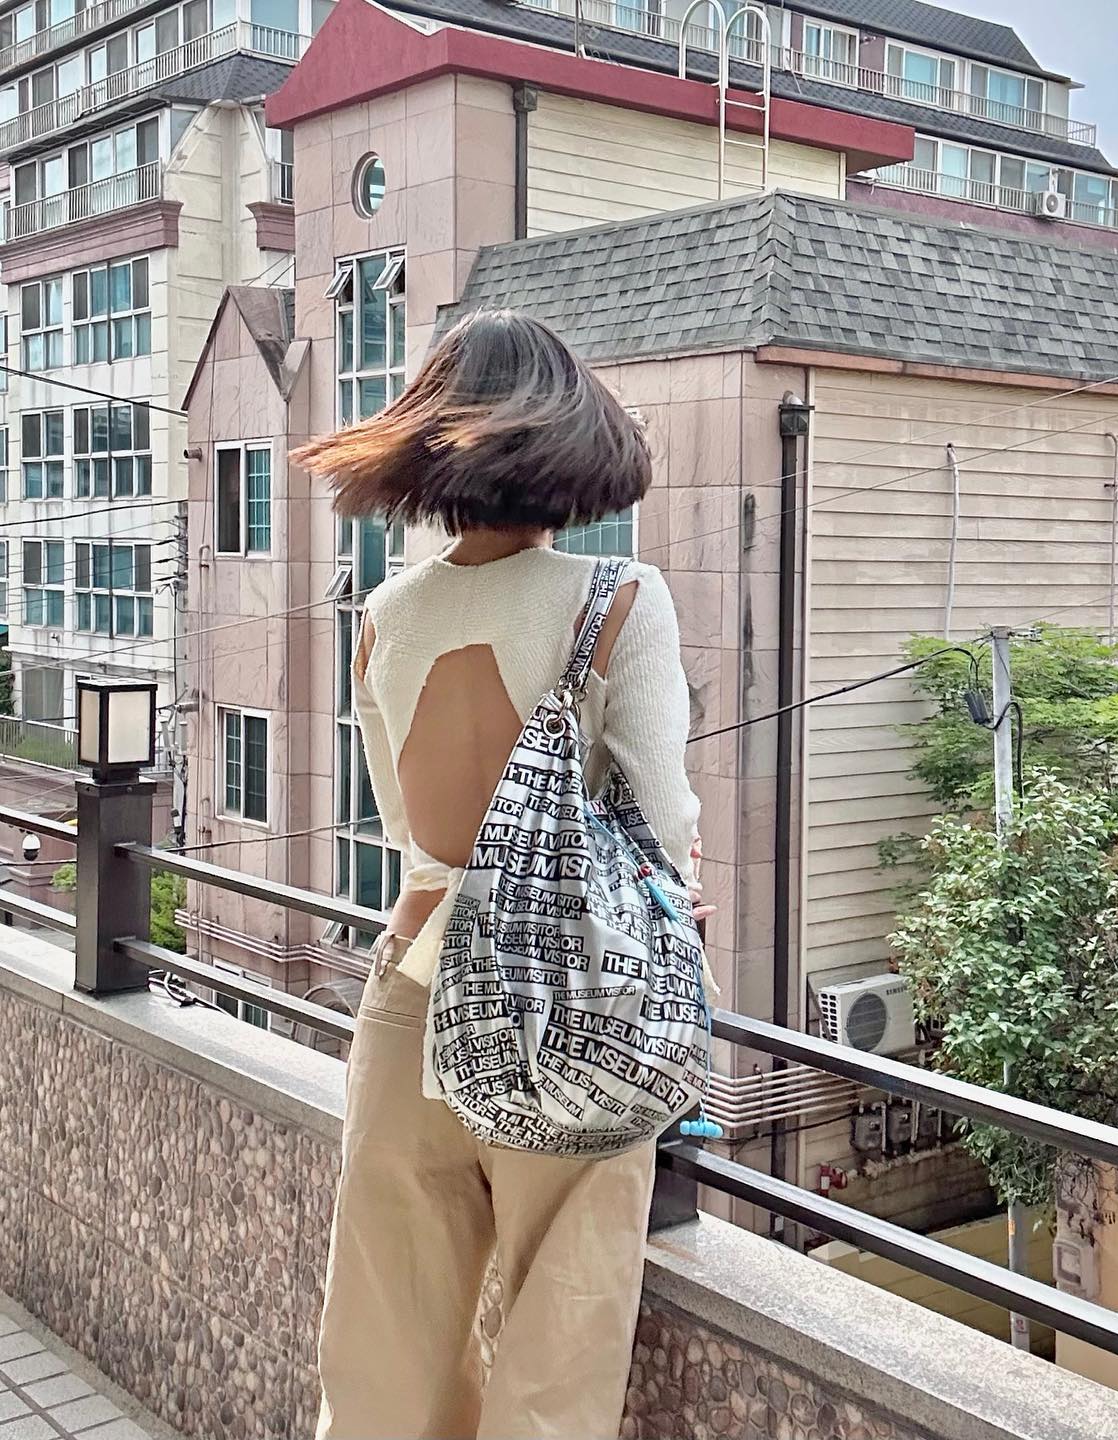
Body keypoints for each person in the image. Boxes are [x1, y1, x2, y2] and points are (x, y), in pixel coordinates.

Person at [292, 310, 711, 1440]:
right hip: (568, 996)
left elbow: (405, 825)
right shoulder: (619, 597)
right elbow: (664, 818)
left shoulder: (385, 615)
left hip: (410, 982)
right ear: (576, 449)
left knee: (386, 1326)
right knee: (559, 1332)